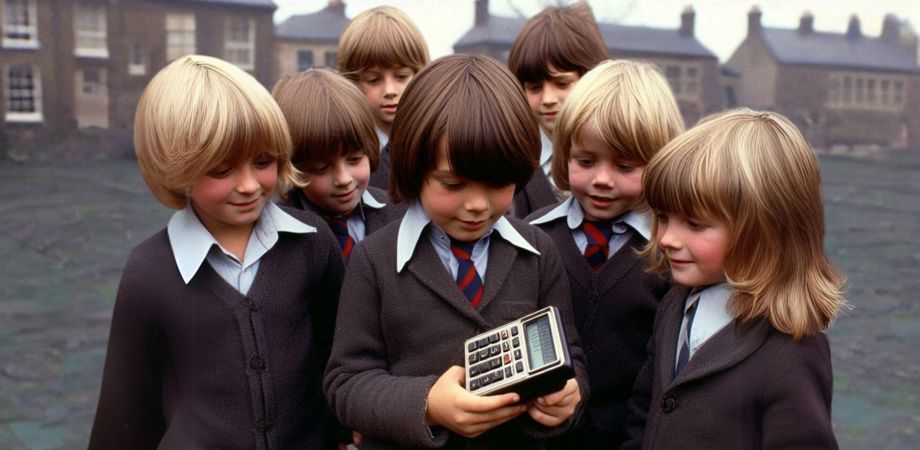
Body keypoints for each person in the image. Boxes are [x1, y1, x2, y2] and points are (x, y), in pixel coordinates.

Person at [323, 55, 589, 449]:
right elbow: (346, 384)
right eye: (453, 184)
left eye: (498, 182)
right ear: (415, 169)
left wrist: (568, 397)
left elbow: (571, 355)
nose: (478, 204)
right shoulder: (374, 260)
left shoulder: (537, 254)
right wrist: (427, 404)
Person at [88, 55, 345, 449]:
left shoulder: (312, 242)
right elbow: (126, 409)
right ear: (176, 170)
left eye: (263, 161)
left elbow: (339, 356)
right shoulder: (148, 271)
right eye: (222, 170)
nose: (248, 186)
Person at [622, 108, 846, 449]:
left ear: (764, 230)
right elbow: (644, 412)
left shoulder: (793, 350)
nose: (666, 238)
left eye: (694, 224)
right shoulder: (673, 304)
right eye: (663, 217)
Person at [526, 60, 684, 449]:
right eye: (585, 161)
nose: (601, 179)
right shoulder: (529, 237)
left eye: (625, 165)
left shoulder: (671, 254)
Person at [272, 68, 406, 262]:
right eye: (321, 168)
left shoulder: (400, 214)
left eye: (355, 159)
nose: (344, 179)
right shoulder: (279, 235)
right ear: (292, 166)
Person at [507, 3, 608, 218]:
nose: (548, 99)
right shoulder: (514, 163)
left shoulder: (623, 160)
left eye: (562, 84)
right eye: (534, 87)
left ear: (592, 77)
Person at [337, 5, 430, 190]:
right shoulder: (345, 150)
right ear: (352, 83)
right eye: (373, 80)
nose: (390, 90)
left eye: (401, 76)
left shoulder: (435, 142)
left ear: (420, 74)